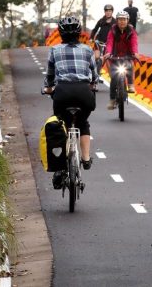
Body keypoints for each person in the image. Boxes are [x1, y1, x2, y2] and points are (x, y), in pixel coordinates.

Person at [43, 16, 99, 189]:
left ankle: (60, 168)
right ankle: (86, 158)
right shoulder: (88, 50)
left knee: (60, 123)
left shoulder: (54, 50)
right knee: (83, 122)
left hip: (62, 93)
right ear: (78, 33)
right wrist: (92, 85)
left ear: (60, 33)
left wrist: (48, 88)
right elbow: (94, 76)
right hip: (84, 94)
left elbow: (50, 76)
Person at [103, 11, 139, 110]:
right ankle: (112, 100)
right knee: (114, 79)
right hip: (114, 56)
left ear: (127, 20)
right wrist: (108, 53)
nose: (122, 22)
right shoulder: (113, 30)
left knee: (130, 66)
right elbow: (109, 43)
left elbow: (134, 43)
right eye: (120, 19)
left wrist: (135, 53)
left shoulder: (131, 31)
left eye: (124, 19)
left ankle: (130, 84)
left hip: (127, 56)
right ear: (117, 21)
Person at [90, 4, 116, 71]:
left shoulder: (115, 22)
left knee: (107, 60)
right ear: (104, 12)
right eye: (106, 11)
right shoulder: (101, 20)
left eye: (110, 11)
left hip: (109, 44)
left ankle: (112, 78)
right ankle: (92, 71)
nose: (108, 12)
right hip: (99, 42)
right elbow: (95, 29)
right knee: (97, 57)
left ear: (112, 12)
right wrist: (91, 38)